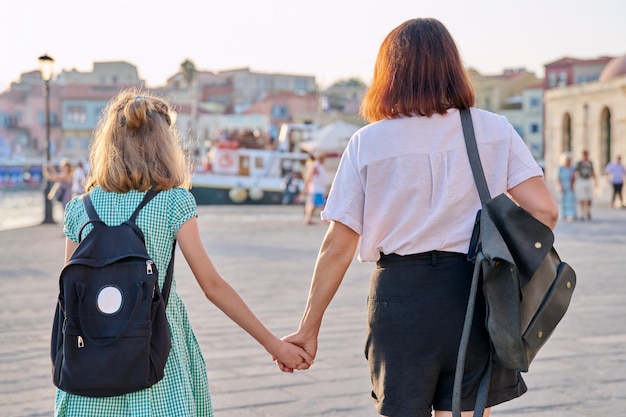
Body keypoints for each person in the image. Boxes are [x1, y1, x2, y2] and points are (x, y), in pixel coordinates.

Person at [279, 18, 558, 417]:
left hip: (400, 296)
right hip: (472, 294)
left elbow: (337, 247)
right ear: (452, 67)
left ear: (390, 73)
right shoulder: (492, 129)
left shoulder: (369, 142)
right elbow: (545, 209)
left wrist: (308, 328)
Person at [55, 89, 312, 417]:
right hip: (156, 351)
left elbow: (69, 295)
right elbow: (212, 286)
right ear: (164, 144)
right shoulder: (173, 202)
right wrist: (274, 345)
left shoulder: (80, 208)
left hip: (90, 360)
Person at [302, 154, 327, 224]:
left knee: (315, 204)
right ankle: (324, 219)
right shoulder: (315, 166)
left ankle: (308, 218)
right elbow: (308, 176)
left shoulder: (318, 166)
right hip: (316, 188)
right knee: (320, 204)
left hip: (318, 188)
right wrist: (307, 186)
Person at [574, 149, 596, 220]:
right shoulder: (579, 163)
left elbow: (593, 171)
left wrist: (596, 181)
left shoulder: (590, 163)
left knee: (590, 197)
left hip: (588, 180)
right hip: (581, 180)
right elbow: (575, 172)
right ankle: (582, 213)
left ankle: (588, 210)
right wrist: (574, 181)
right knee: (582, 198)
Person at [557, 152, 577, 221]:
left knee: (571, 200)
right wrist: (560, 186)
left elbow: (574, 177)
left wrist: (572, 184)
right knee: (564, 200)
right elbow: (558, 178)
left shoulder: (572, 168)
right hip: (563, 185)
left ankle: (572, 214)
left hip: (569, 185)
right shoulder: (561, 168)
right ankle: (564, 214)